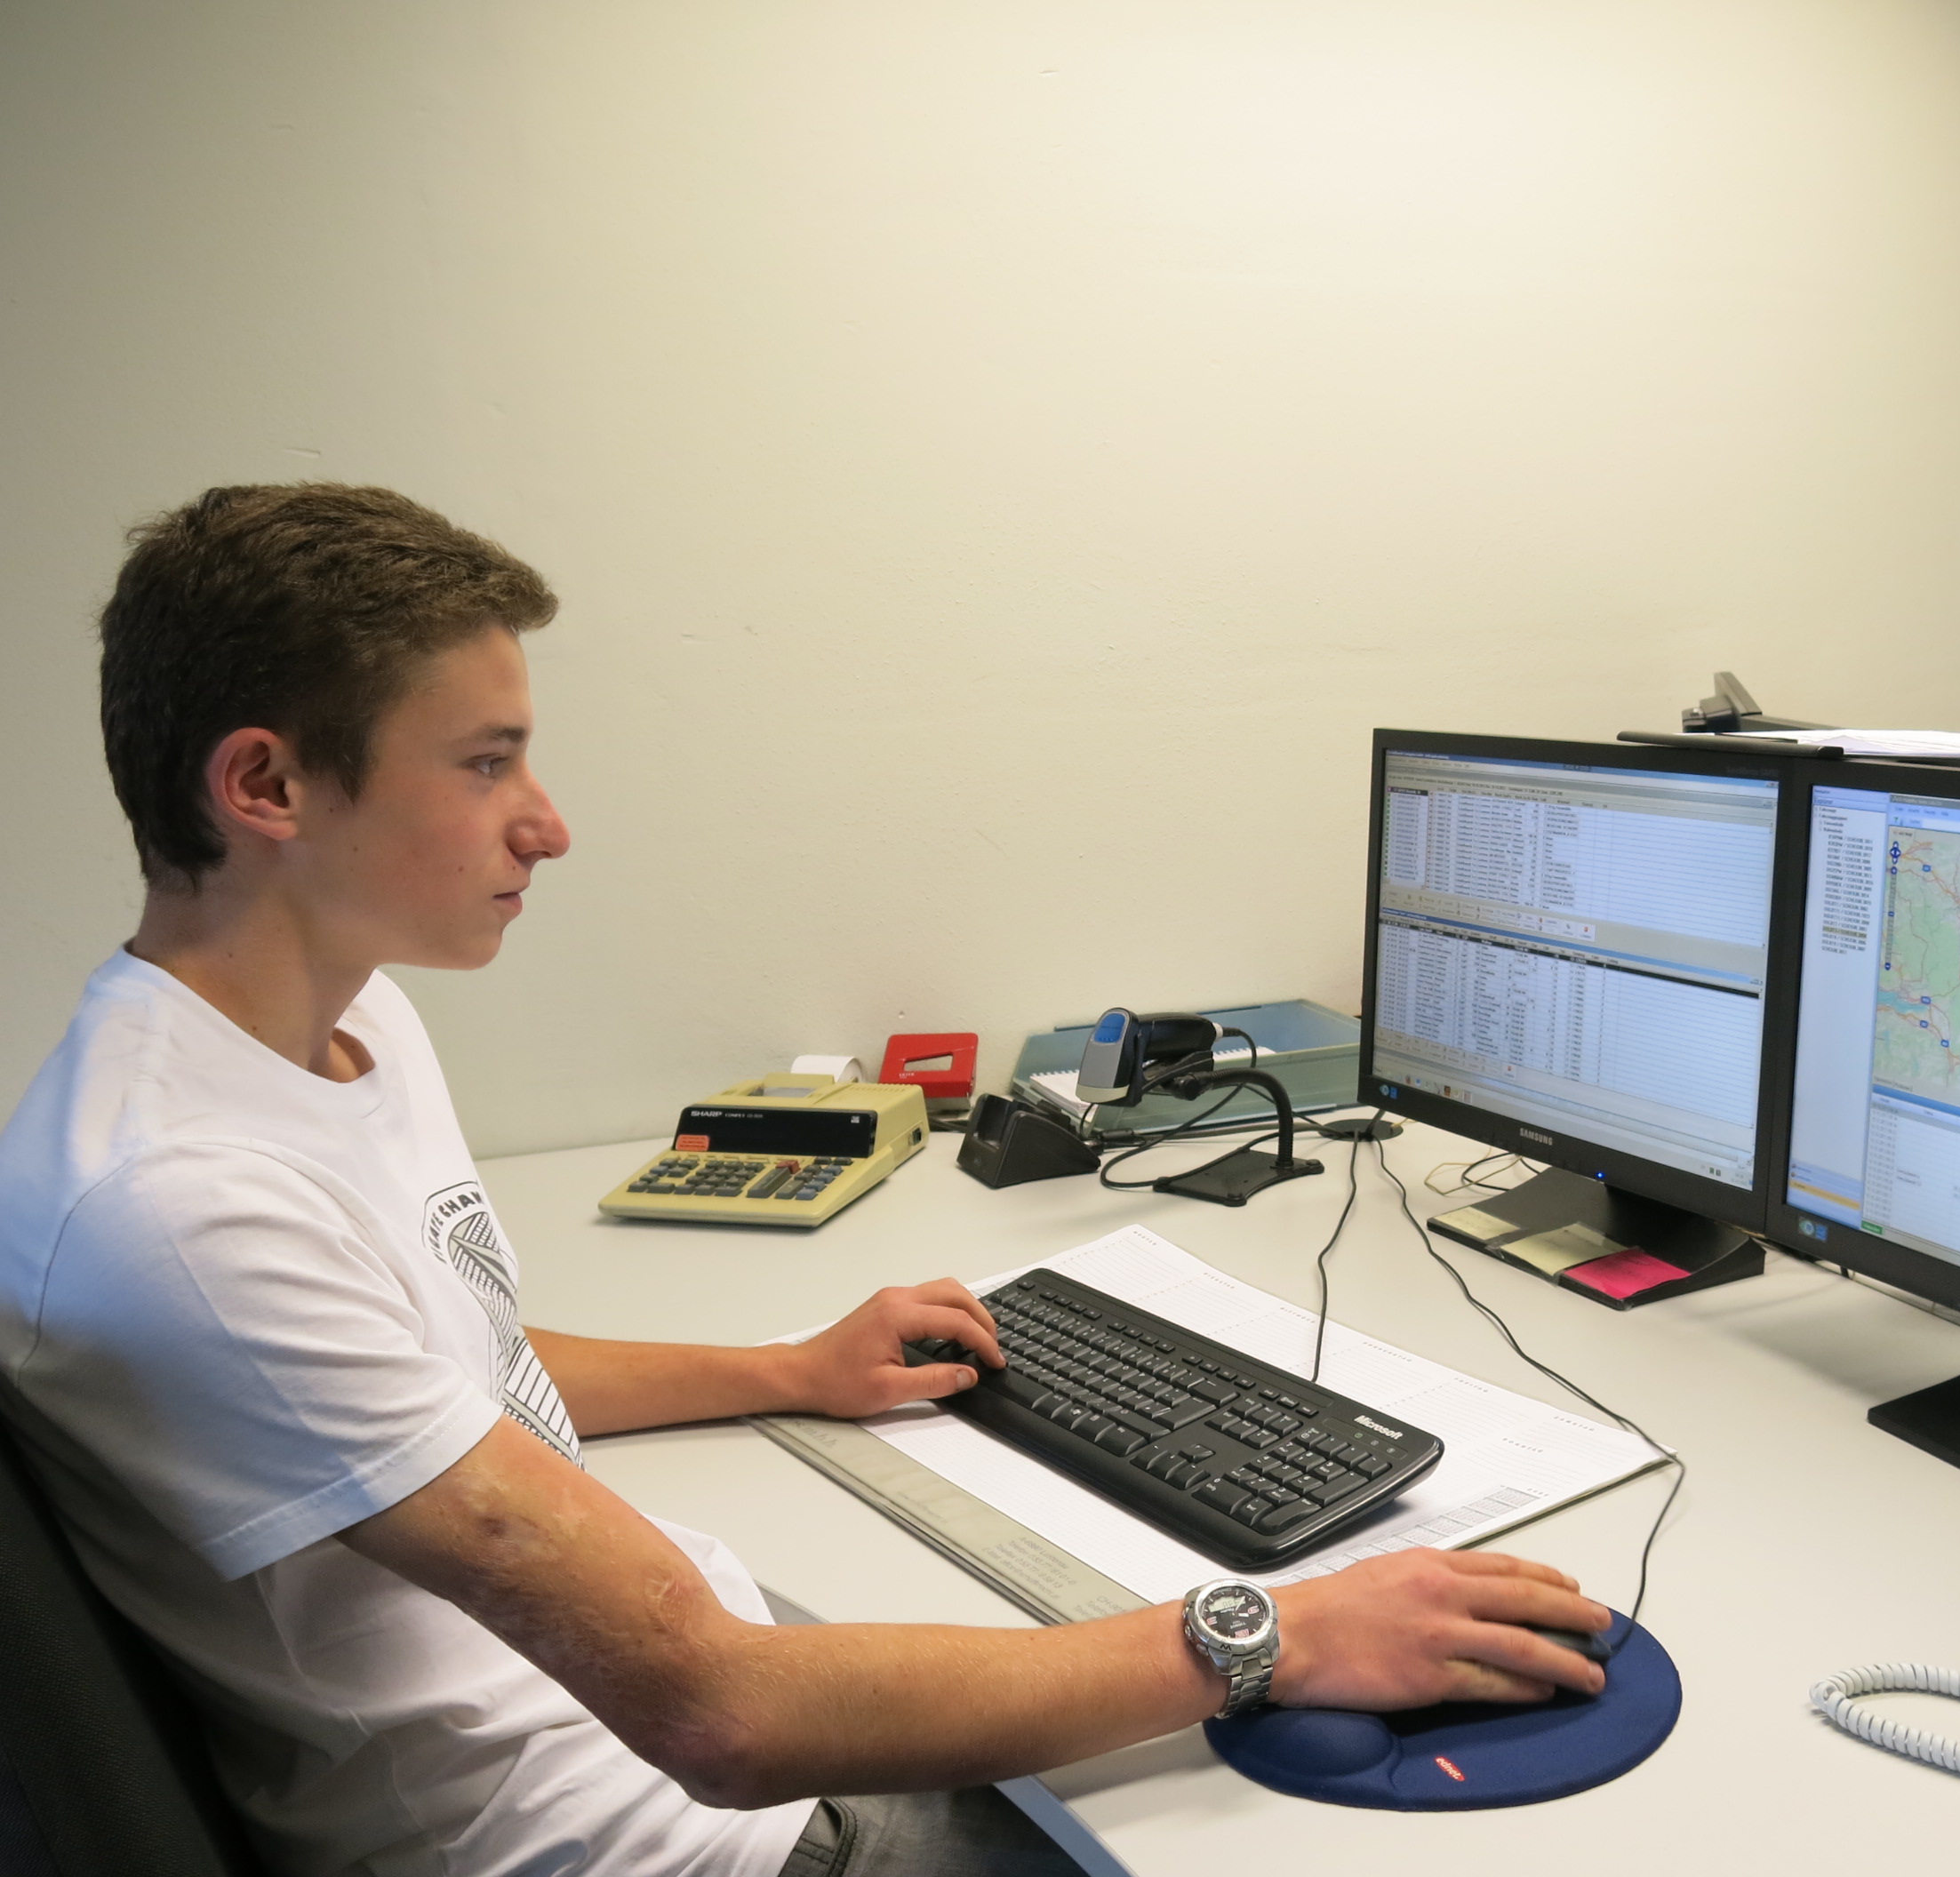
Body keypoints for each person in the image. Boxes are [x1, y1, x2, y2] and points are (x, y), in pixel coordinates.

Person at [0, 484, 1613, 1877]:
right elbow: (723, 1714)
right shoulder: (182, 1201)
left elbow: (440, 1358)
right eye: (486, 764)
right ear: (268, 787)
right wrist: (1275, 1633)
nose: (546, 826)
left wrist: (788, 1369)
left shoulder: (330, 1030)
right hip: (647, 1835)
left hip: (651, 1735)